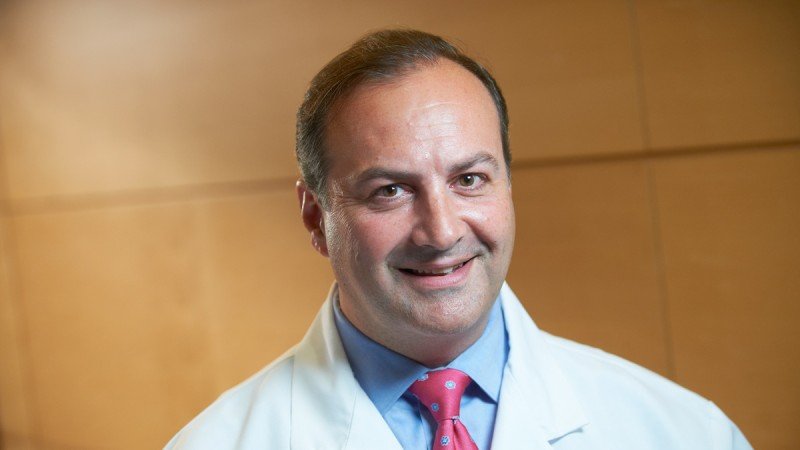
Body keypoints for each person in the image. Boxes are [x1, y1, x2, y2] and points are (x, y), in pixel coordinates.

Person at [166, 29, 751, 449]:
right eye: (390, 190)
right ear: (317, 218)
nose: (442, 232)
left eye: (469, 179)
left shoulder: (684, 432)